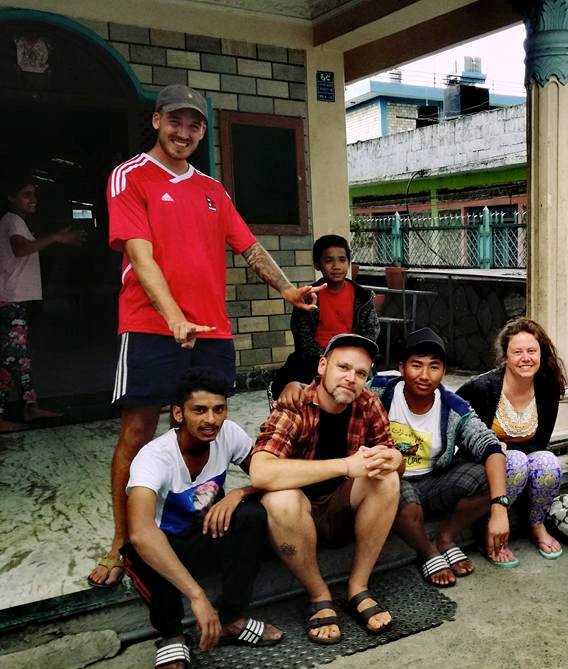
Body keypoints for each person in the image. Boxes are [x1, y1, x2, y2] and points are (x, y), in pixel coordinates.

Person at [90, 84, 317, 588]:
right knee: (137, 433)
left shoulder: (213, 190)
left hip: (212, 330)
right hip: (150, 327)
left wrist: (286, 288)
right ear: (156, 121)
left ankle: (196, 515)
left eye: (194, 125)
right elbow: (140, 256)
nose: (184, 132)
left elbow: (249, 246)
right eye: (175, 121)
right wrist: (172, 315)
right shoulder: (131, 176)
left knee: (208, 426)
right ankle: (123, 539)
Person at [275, 327, 510, 586]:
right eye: (416, 365)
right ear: (401, 367)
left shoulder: (454, 407)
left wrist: (499, 507)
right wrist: (295, 386)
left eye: (434, 367)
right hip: (389, 482)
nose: (424, 375)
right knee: (389, 485)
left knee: (495, 474)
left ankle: (446, 538)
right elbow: (337, 386)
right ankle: (427, 551)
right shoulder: (379, 391)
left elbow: (489, 445)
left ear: (443, 371)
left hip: (433, 480)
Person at [124, 367, 283, 669]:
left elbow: (271, 474)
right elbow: (141, 532)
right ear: (178, 414)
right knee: (141, 548)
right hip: (168, 548)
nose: (211, 419)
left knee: (251, 516)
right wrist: (197, 596)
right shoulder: (154, 457)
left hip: (207, 535)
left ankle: (230, 620)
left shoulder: (229, 434)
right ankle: (171, 634)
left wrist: (239, 493)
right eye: (199, 410)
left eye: (219, 409)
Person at [250, 333, 401, 644]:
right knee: (279, 499)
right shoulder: (295, 405)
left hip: (342, 508)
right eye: (343, 367)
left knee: (387, 478)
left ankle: (358, 587)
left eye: (360, 373)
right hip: (296, 516)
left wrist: (395, 459)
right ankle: (319, 594)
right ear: (322, 366)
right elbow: (260, 472)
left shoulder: (367, 403)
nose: (351, 378)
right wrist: (345, 465)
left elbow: (391, 455)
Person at [457, 317, 567, 565]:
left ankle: (536, 524)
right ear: (505, 356)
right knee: (515, 461)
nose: (525, 358)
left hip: (520, 460)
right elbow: (456, 429)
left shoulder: (547, 386)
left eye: (532, 351)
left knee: (548, 461)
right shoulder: (481, 387)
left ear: (541, 353)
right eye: (517, 352)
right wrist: (493, 448)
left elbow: (540, 443)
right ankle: (489, 530)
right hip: (481, 463)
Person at [0, 178, 84, 432]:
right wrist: (55, 237)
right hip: (10, 301)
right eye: (26, 194)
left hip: (16, 301)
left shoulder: (18, 222)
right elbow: (20, 249)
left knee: (21, 358)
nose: (33, 199)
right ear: (11, 198)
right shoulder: (12, 220)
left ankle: (30, 406)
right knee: (10, 358)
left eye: (34, 194)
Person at [270, 234, 379, 400]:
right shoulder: (308, 297)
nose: (336, 266)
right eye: (329, 261)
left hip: (353, 360)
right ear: (317, 264)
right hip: (313, 363)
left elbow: (371, 332)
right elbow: (303, 340)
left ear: (349, 262)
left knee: (369, 396)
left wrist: (348, 359)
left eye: (342, 260)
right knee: (291, 394)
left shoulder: (362, 297)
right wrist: (329, 362)